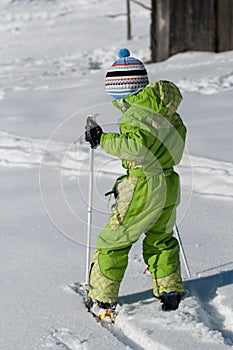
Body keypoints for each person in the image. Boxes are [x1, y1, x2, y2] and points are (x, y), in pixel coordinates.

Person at [85, 48, 187, 317]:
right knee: (161, 238)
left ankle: (102, 298)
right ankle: (170, 291)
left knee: (113, 241)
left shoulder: (133, 115)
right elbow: (176, 150)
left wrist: (102, 139)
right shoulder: (168, 114)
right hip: (169, 182)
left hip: (143, 185)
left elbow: (136, 149)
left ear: (120, 92)